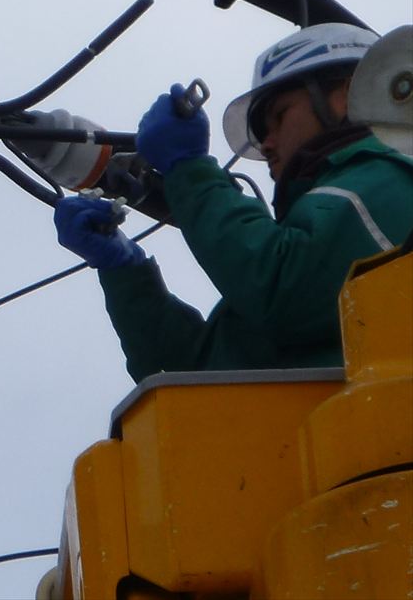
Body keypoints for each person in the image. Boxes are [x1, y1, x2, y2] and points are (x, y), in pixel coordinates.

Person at [53, 22, 413, 383]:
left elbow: (282, 289)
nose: (266, 144)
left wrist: (189, 169)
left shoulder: (392, 181)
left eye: (279, 116)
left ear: (347, 96)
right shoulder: (313, 236)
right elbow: (193, 379)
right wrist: (125, 273)